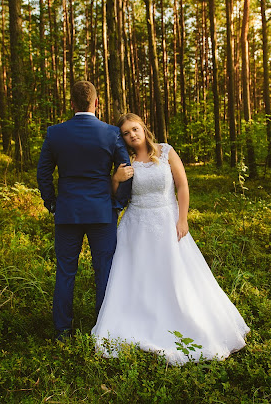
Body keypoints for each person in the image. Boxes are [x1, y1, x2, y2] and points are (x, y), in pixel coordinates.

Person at [91, 113, 249, 365]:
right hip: (136, 225)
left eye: (135, 129)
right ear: (123, 139)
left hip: (167, 220)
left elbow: (182, 186)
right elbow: (115, 196)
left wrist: (182, 218)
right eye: (126, 133)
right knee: (137, 278)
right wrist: (115, 180)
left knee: (176, 275)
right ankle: (139, 319)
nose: (132, 135)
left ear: (143, 127)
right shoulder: (125, 160)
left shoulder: (165, 151)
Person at [37, 81, 132, 341]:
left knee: (66, 271)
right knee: (104, 270)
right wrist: (116, 204)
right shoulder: (111, 133)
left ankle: (62, 331)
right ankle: (103, 329)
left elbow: (43, 173)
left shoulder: (55, 133)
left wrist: (52, 203)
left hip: (67, 212)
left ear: (72, 104)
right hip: (102, 213)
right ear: (96, 103)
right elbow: (127, 171)